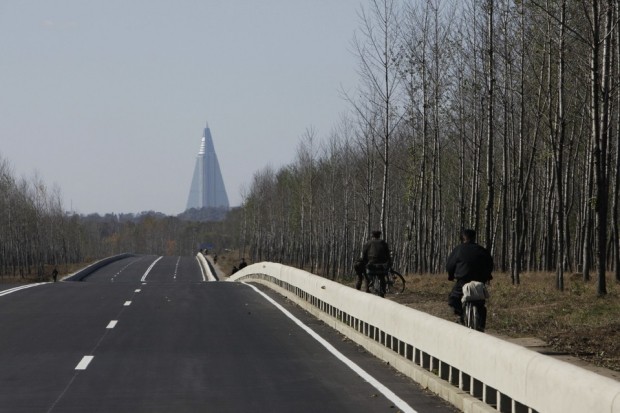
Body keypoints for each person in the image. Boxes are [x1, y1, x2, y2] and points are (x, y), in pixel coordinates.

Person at [446, 229, 493, 329]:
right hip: (479, 281)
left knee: (453, 299)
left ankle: (461, 315)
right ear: (474, 237)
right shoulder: (482, 250)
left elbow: (450, 265)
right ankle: (480, 324)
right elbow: (489, 264)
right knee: (481, 303)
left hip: (463, 281)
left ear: (462, 238)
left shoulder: (458, 249)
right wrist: (488, 276)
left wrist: (450, 276)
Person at [361, 230, 392, 297]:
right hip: (382, 265)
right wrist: (389, 262)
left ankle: (367, 289)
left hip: (371, 264)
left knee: (367, 276)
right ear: (379, 235)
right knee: (382, 277)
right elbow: (388, 254)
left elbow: (364, 254)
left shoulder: (368, 243)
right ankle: (383, 292)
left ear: (372, 236)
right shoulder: (383, 243)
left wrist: (364, 262)